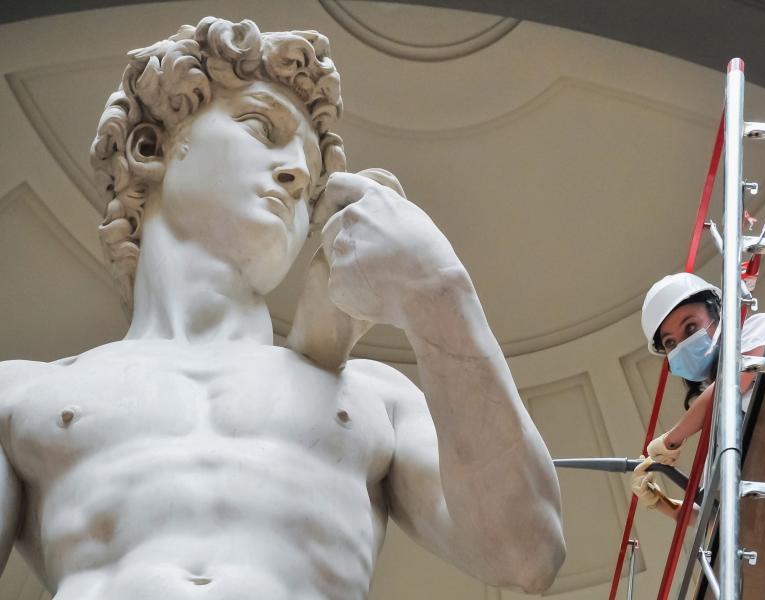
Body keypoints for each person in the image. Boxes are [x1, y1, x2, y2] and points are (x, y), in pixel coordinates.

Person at [0, 18, 564, 599]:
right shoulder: (19, 396)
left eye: (313, 173)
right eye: (262, 128)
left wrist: (439, 294)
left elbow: (525, 555)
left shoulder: (374, 399)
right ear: (152, 147)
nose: (297, 175)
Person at [629, 272, 765, 518]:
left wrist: (671, 440)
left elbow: (733, 384)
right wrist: (656, 500)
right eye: (670, 343)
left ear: (717, 314)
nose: (683, 345)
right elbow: (713, 516)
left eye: (690, 327)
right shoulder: (719, 438)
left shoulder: (758, 327)